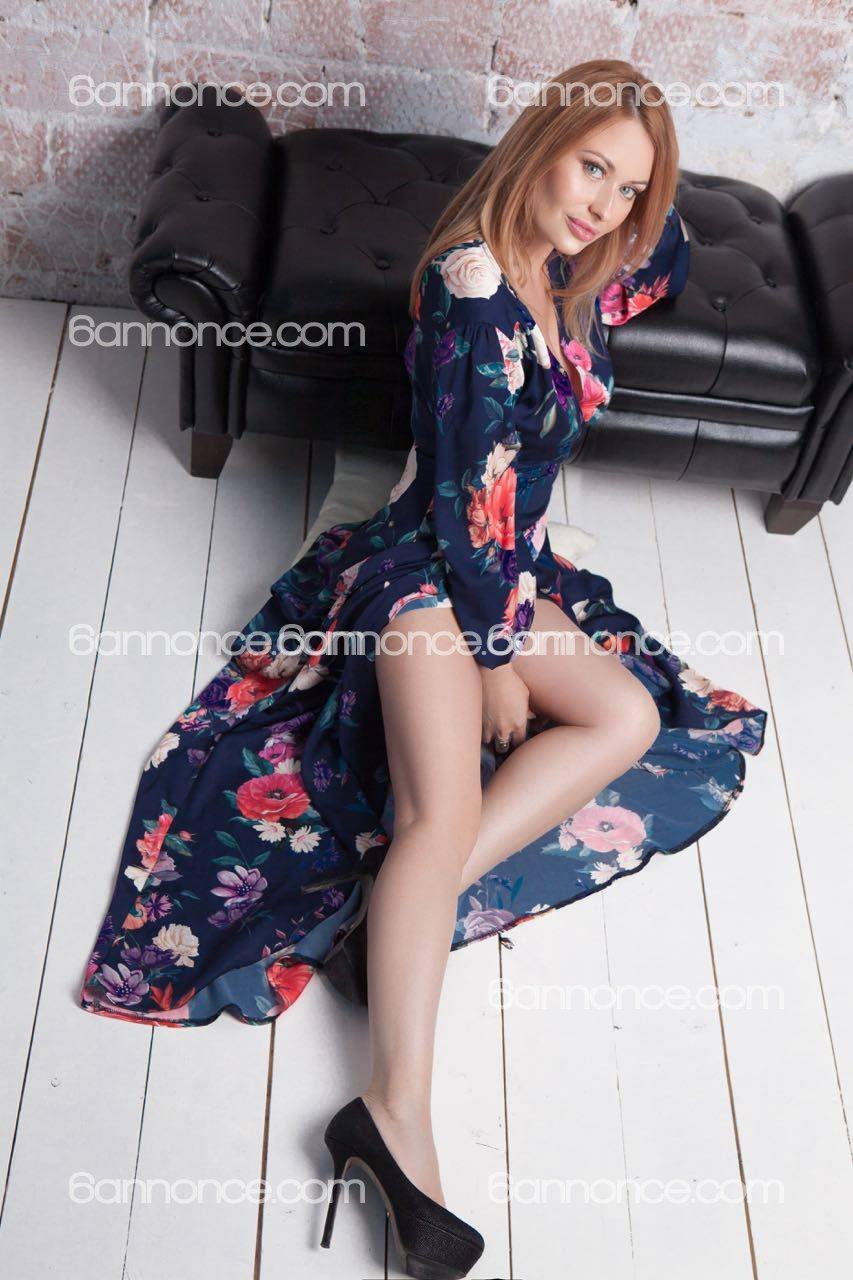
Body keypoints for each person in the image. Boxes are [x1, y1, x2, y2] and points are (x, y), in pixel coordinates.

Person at [78, 60, 768, 1279]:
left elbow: (659, 247)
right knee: (437, 809)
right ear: (541, 142)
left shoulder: (579, 269)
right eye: (590, 167)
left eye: (626, 187)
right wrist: (496, 659)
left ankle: (394, 909)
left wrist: (641, 198)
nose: (603, 203)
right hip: (420, 569)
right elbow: (462, 502)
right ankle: (392, 1114)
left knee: (622, 715)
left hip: (504, 567)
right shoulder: (473, 294)